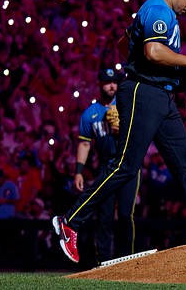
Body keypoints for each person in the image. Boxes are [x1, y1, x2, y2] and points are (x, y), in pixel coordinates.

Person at [52, 0, 186, 263]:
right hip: (143, 93)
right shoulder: (158, 8)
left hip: (160, 95)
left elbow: (124, 45)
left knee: (185, 166)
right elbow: (154, 51)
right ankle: (70, 222)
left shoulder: (156, 11)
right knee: (124, 166)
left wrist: (160, 71)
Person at [73, 67, 139, 263]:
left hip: (128, 165)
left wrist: (122, 130)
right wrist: (79, 171)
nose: (112, 86)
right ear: (100, 84)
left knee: (126, 215)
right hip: (106, 167)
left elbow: (139, 135)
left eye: (115, 82)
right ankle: (103, 261)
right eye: (108, 82)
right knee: (104, 216)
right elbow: (85, 143)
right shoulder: (90, 114)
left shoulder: (127, 105)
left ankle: (127, 259)